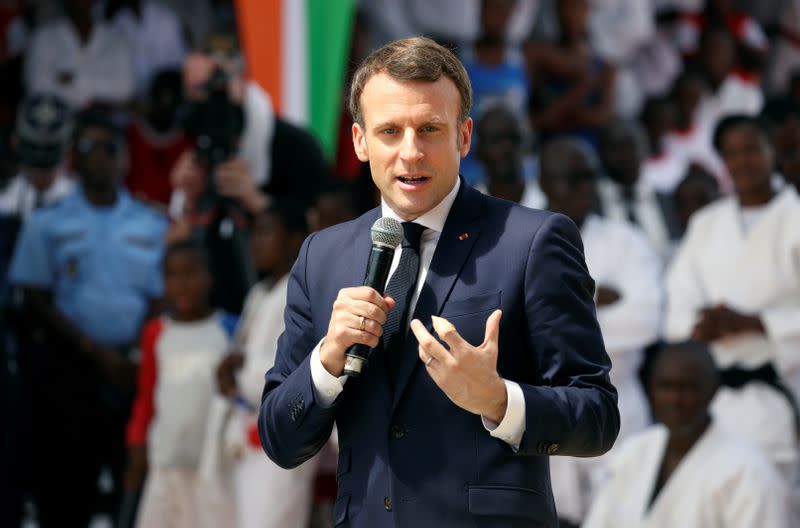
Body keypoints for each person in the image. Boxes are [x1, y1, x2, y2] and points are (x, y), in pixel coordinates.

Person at [258, 37, 619, 527]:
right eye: (390, 131)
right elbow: (280, 440)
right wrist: (326, 361)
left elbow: (597, 417)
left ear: (463, 136)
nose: (411, 152)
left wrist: (497, 399)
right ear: (361, 141)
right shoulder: (321, 256)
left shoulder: (533, 241)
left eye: (429, 128)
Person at [7, 109, 167, 525]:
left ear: (125, 158)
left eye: (109, 147)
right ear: (73, 158)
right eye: (87, 147)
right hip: (69, 370)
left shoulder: (150, 222)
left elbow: (159, 293)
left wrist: (134, 353)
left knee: (132, 488)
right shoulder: (47, 223)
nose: (99, 156)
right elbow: (35, 295)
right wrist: (93, 350)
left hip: (132, 371)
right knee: (65, 492)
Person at [665, 114, 800, 480]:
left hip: (778, 392)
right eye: (732, 154)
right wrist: (701, 325)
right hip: (710, 397)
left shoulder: (794, 216)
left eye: (752, 150)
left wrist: (756, 323)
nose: (743, 161)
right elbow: (678, 302)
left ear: (774, 152)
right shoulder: (706, 224)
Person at [538, 137, 662, 525]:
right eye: (572, 178)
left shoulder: (626, 240)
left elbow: (646, 320)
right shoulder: (517, 238)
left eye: (590, 177)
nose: (585, 188)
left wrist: (564, 312)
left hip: (618, 399)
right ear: (543, 182)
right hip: (547, 405)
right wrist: (594, 299)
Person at [583, 341, 793, 528]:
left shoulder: (748, 472)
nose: (675, 399)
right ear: (651, 390)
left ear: (712, 391)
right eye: (666, 386)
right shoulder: (634, 452)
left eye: (687, 388)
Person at [203, 199, 322, 527]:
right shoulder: (259, 293)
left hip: (281, 438)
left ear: (296, 239)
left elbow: (296, 373)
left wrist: (238, 369)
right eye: (254, 233)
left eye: (267, 232)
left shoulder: (302, 293)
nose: (257, 242)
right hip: (244, 433)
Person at [125, 241, 237, 528]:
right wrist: (136, 444)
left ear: (209, 276)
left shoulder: (228, 329)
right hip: (166, 464)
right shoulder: (157, 333)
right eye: (172, 275)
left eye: (190, 274)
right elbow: (147, 395)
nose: (181, 284)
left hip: (213, 468)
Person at [24, 0, 136, 109]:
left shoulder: (116, 38)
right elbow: (36, 86)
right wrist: (94, 96)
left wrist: (74, 79)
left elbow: (124, 89)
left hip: (104, 121)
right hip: (56, 120)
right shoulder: (43, 36)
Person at [596, 119, 674, 260]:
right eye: (617, 148)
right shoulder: (592, 204)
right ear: (601, 154)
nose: (626, 156)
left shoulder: (667, 201)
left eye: (631, 146)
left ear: (645, 149)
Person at [0, 93, 75, 220]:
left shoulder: (83, 200)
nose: (40, 173)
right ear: (15, 142)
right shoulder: (3, 200)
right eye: (34, 165)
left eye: (47, 166)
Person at [473, 103, 543, 209]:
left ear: (526, 146)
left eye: (513, 138)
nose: (506, 148)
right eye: (495, 140)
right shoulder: (468, 208)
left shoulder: (547, 200)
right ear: (479, 151)